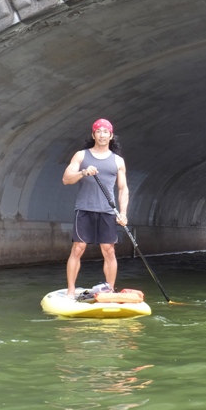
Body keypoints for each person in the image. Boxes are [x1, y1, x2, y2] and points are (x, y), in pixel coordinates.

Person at [62, 118, 129, 298]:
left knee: (109, 250)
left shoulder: (118, 161)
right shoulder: (81, 156)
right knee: (78, 248)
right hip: (84, 209)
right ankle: (70, 291)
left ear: (111, 135)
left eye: (105, 131)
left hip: (107, 211)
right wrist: (83, 172)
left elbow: (123, 189)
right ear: (93, 135)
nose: (102, 134)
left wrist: (123, 213)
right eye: (98, 131)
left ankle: (110, 290)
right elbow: (66, 179)